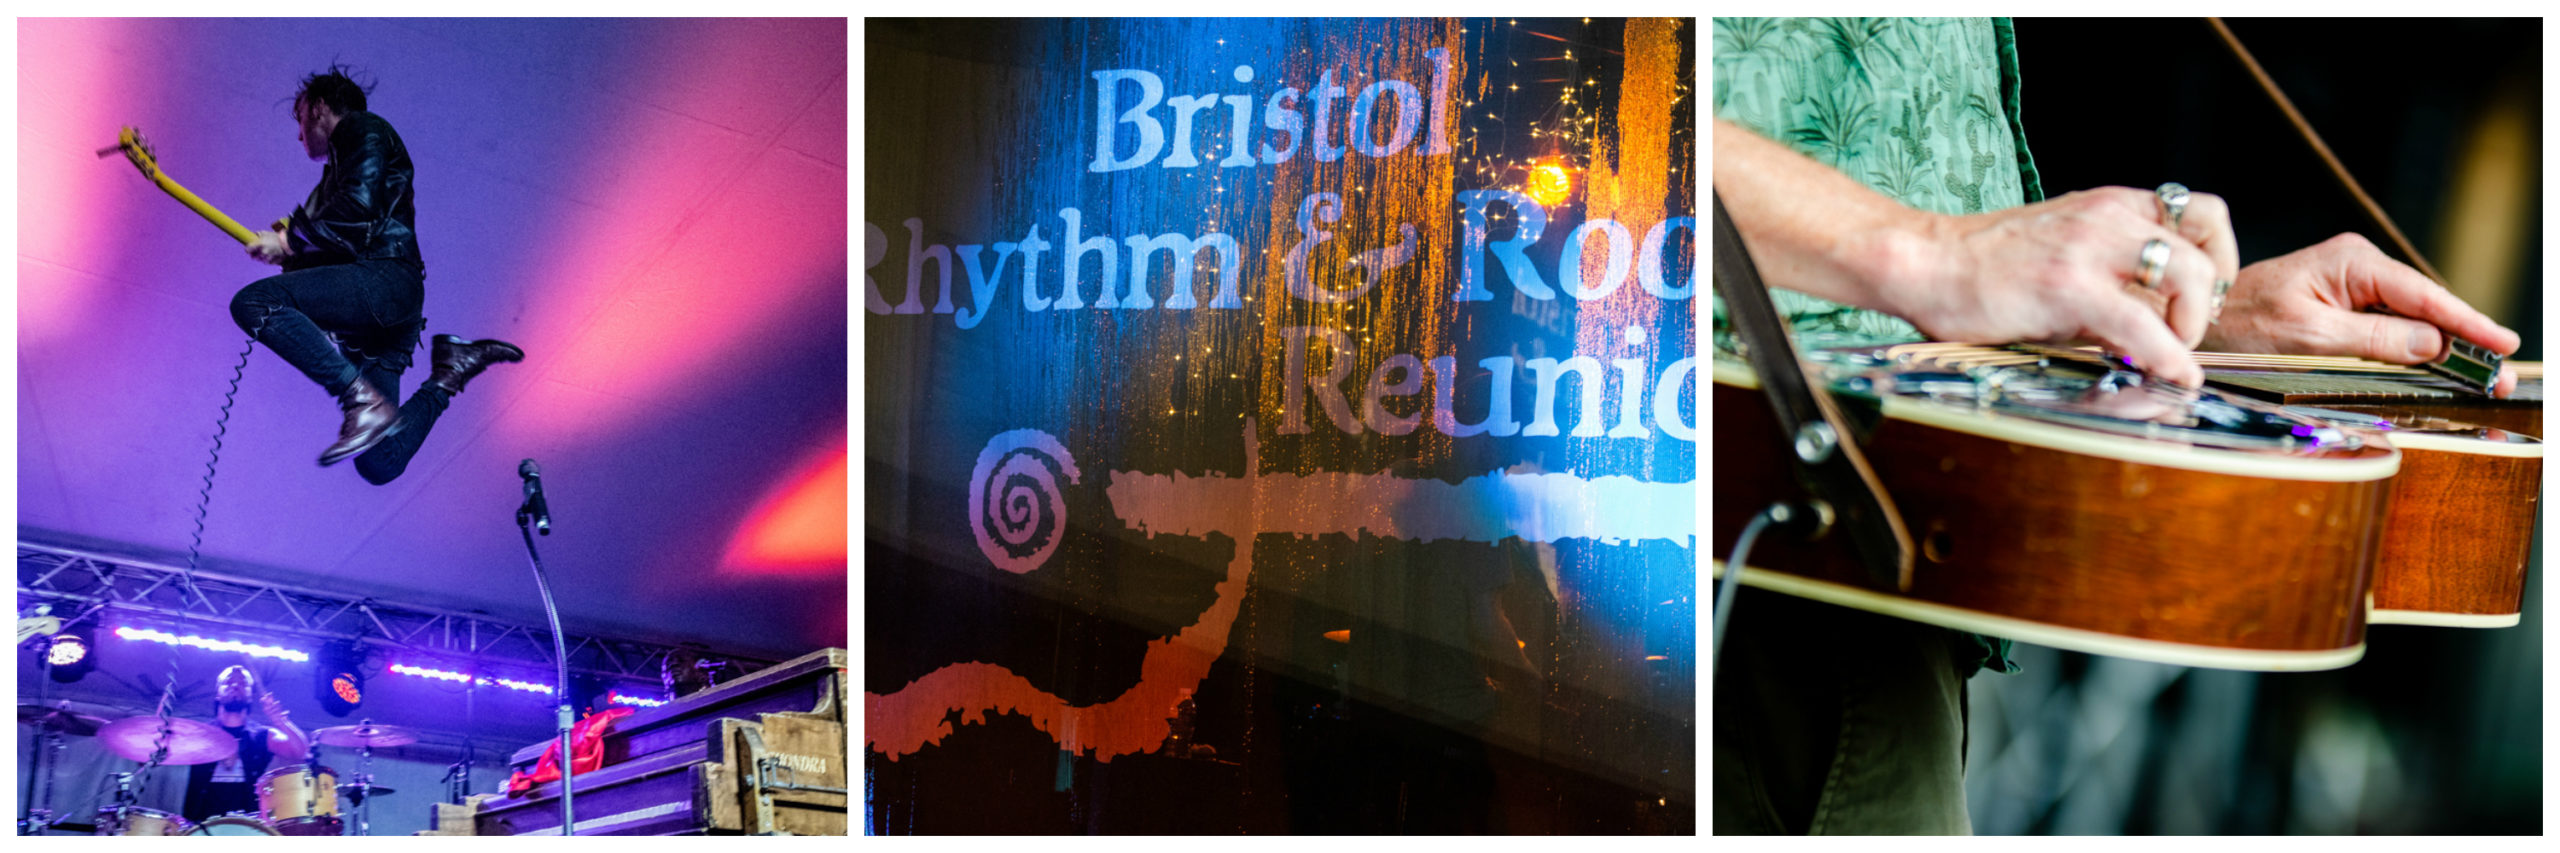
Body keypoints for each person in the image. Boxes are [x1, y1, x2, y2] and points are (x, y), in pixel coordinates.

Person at [1708, 17, 2523, 835]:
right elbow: (1584, 65)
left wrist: (2190, 309)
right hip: (1707, 511)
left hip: (1865, 546)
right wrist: (1935, 253)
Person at [229, 65, 523, 482]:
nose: (298, 134)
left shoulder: (360, 129)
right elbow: (334, 233)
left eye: (299, 118)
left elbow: (355, 210)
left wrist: (290, 241)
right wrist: (288, 246)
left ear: (319, 107)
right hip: (379, 321)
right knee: (378, 462)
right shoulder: (336, 170)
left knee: (255, 302)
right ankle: (450, 372)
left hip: (384, 284)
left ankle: (359, 400)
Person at [180, 665, 312, 823]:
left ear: (251, 695)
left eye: (243, 684)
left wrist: (281, 721)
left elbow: (300, 752)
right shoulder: (201, 734)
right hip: (199, 826)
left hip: (247, 827)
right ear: (217, 693)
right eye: (228, 682)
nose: (235, 685)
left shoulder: (263, 735)